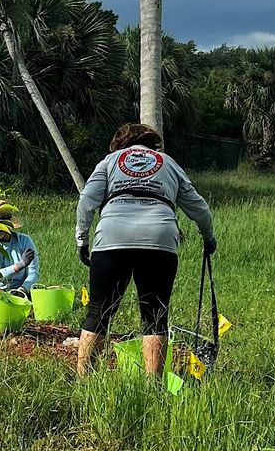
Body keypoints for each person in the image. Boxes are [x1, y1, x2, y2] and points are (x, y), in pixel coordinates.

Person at [74, 123, 217, 377]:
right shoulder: (168, 162)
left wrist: (81, 239)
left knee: (98, 312)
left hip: (112, 235)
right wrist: (208, 238)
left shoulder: (110, 161)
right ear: (153, 144)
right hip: (159, 238)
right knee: (155, 316)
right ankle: (154, 388)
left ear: (121, 145)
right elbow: (200, 208)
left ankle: (83, 382)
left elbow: (87, 200)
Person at [0, 201, 39, 298]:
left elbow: (33, 273)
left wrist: (22, 289)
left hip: (18, 291)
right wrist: (20, 265)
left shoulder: (24, 241)